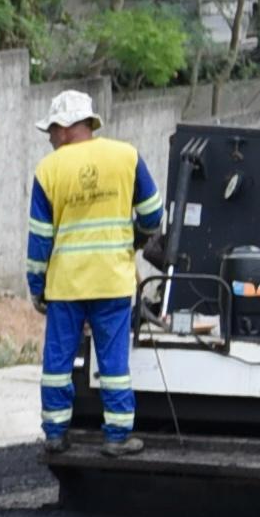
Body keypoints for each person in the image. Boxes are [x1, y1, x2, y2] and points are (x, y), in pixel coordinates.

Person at [28, 91, 158, 454]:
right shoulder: (126, 156)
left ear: (68, 128)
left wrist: (37, 286)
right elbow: (153, 214)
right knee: (114, 360)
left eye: (52, 129)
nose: (51, 137)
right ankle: (116, 437)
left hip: (65, 284)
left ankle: (55, 433)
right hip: (112, 281)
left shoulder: (48, 170)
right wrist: (132, 241)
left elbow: (39, 238)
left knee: (58, 361)